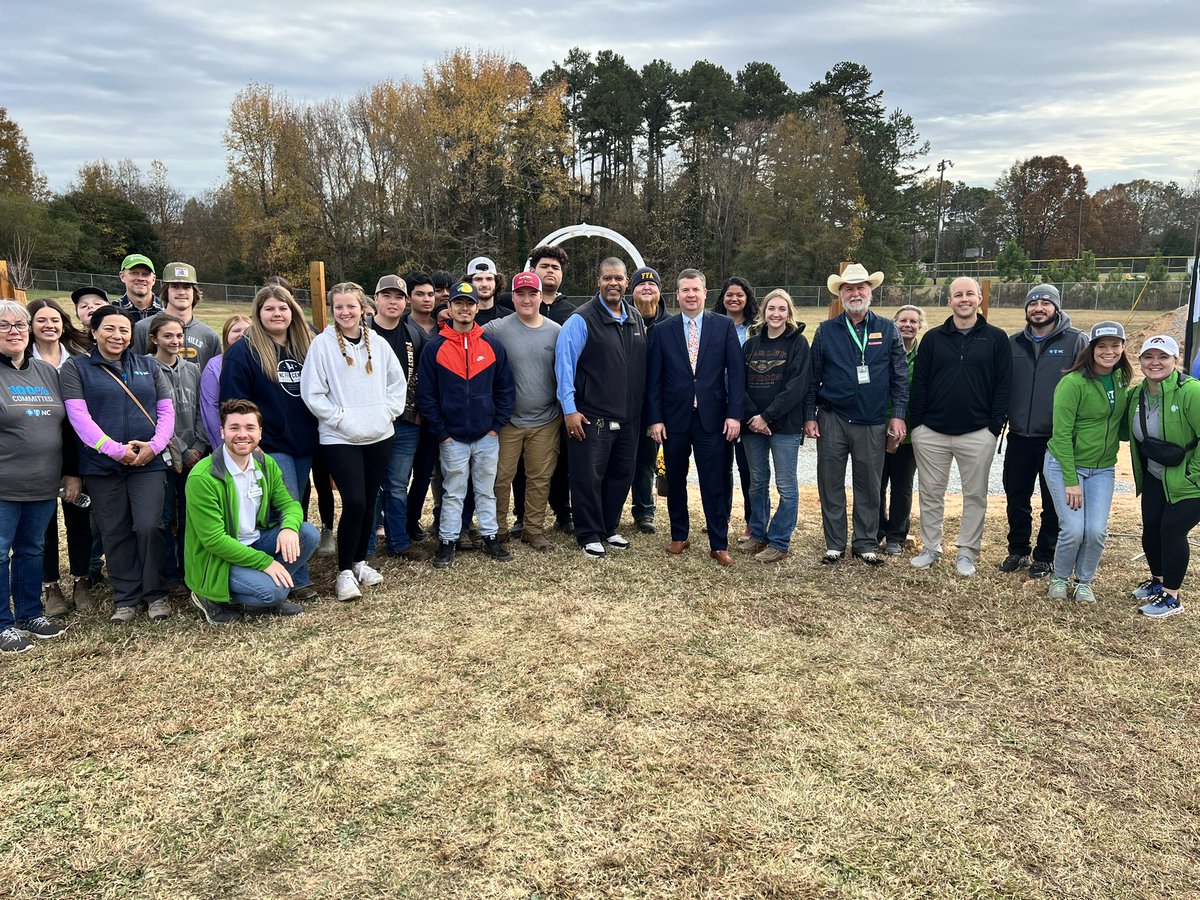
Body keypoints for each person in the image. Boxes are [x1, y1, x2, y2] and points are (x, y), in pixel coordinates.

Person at [60, 305, 175, 624]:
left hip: (147, 462)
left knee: (149, 526)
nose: (117, 335)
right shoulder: (75, 368)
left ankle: (155, 594)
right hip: (101, 465)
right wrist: (113, 449)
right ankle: (126, 596)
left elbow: (167, 412)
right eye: (109, 328)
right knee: (114, 530)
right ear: (94, 332)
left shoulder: (148, 366)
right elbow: (78, 418)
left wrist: (154, 447)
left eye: (124, 330)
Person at [301, 282, 405, 600]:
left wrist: (385, 414)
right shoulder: (322, 346)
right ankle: (344, 571)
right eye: (339, 307)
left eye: (351, 306)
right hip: (339, 437)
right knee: (355, 501)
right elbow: (312, 392)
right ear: (333, 310)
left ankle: (360, 562)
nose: (345, 312)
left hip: (378, 434)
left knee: (370, 502)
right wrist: (341, 419)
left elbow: (396, 383)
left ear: (363, 308)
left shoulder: (379, 344)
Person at [219, 284, 321, 599]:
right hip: (272, 445)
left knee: (298, 506)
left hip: (305, 441)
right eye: (269, 309)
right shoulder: (245, 350)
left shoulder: (307, 344)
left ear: (293, 311)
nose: (277, 314)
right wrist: (252, 442)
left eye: (283, 308)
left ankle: (287, 567)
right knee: (284, 509)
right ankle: (296, 578)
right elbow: (233, 401)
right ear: (258, 314)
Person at [803, 264, 908, 566]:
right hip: (833, 417)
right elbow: (813, 377)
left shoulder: (888, 329)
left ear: (870, 291)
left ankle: (864, 542)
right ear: (841, 294)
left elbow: (900, 377)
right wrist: (810, 416)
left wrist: (898, 416)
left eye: (861, 287)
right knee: (830, 482)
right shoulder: (826, 331)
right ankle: (834, 543)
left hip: (872, 421)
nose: (855, 292)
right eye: (849, 288)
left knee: (869, 484)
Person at [908, 277, 1012, 577]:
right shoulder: (934, 339)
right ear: (949, 301)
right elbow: (920, 384)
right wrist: (918, 426)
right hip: (932, 433)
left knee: (975, 495)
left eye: (969, 294)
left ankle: (967, 552)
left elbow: (1003, 385)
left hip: (977, 433)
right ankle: (931, 548)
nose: (963, 299)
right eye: (957, 295)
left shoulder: (996, 338)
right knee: (930, 493)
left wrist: (993, 428)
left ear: (979, 299)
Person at [186, 399, 319, 625]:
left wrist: (288, 527)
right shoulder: (203, 477)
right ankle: (207, 595)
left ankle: (261, 593)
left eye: (249, 428)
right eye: (234, 428)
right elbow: (215, 541)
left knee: (307, 533)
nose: (242, 434)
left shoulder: (264, 463)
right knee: (274, 592)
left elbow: (290, 504)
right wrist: (266, 564)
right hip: (218, 558)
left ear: (260, 433)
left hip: (254, 542)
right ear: (222, 432)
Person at [648, 268, 745, 567]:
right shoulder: (663, 330)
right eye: (685, 290)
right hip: (674, 419)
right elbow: (654, 380)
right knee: (675, 479)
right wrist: (655, 418)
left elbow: (737, 374)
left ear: (705, 293)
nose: (691, 295)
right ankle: (680, 534)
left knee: (713, 482)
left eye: (696, 290)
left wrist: (734, 415)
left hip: (712, 419)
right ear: (677, 295)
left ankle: (719, 543)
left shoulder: (723, 326)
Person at [417, 281, 515, 568]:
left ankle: (490, 537)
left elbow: (506, 390)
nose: (464, 308)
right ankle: (447, 540)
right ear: (449, 307)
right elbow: (427, 396)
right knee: (454, 490)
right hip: (452, 438)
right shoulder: (435, 348)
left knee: (486, 489)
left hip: (487, 435)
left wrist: (496, 426)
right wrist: (443, 434)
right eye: (458, 303)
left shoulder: (492, 346)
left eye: (469, 303)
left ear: (476, 307)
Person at [555, 257, 648, 558]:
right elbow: (564, 367)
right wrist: (569, 409)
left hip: (629, 417)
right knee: (587, 478)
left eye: (619, 278)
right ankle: (589, 533)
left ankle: (609, 527)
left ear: (626, 282)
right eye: (607, 277)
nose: (613, 283)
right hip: (591, 418)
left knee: (621, 475)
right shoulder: (581, 319)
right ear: (598, 281)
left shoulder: (635, 318)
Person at [1000, 285, 1088, 578]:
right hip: (1019, 435)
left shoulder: (1076, 341)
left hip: (1056, 439)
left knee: (1052, 502)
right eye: (1033, 303)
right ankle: (1018, 550)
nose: (1038, 308)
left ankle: (1044, 556)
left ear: (1056, 307)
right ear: (1026, 309)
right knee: (1016, 496)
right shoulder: (1013, 343)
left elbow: (1086, 384)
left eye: (1045, 303)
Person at [0, 300, 72, 652]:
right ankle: (2, 622)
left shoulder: (46, 373)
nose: (14, 332)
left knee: (31, 549)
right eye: (4, 325)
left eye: (19, 325)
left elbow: (67, 426)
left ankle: (29, 613)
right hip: (4, 486)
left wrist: (69, 473)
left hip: (43, 484)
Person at [1044, 321, 1131, 603]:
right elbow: (1061, 435)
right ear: (1090, 349)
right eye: (1102, 346)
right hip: (1065, 465)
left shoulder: (1121, 380)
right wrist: (1071, 480)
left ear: (1123, 347)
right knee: (1073, 529)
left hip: (1102, 468)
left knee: (1095, 531)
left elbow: (1120, 424)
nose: (1109, 351)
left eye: (1115, 345)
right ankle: (1059, 577)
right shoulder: (1072, 383)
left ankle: (1084, 581)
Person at [484, 272, 561, 552]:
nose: (527, 299)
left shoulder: (556, 331)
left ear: (542, 296)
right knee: (500, 477)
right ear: (513, 297)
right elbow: (467, 332)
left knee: (540, 478)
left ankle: (533, 529)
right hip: (507, 421)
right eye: (521, 294)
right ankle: (498, 530)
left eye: (532, 294)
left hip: (546, 419)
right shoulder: (496, 329)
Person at [27, 299, 93, 617]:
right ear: (30, 325)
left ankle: (81, 581)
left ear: (63, 324)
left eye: (55, 319)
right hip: (35, 458)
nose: (49, 325)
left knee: (78, 520)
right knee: (43, 525)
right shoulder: (20, 362)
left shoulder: (78, 361)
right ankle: (50, 586)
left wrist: (74, 469)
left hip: (73, 453)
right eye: (41, 320)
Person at [1128, 335, 1200, 618]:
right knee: (1152, 528)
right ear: (1141, 361)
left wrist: (1194, 476)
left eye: (1163, 357)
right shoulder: (1138, 394)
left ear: (1175, 360)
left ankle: (1172, 596)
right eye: (1148, 357)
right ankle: (1157, 581)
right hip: (1157, 476)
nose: (1155, 362)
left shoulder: (1191, 392)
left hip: (1191, 480)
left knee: (1172, 530)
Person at [740, 289, 811, 564]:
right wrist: (754, 417)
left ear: (789, 313)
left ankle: (780, 541)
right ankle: (758, 533)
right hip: (752, 426)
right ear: (763, 313)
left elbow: (797, 388)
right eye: (771, 309)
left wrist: (767, 417)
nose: (776, 314)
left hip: (784, 427)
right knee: (757, 483)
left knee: (786, 486)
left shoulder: (797, 344)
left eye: (782, 309)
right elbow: (739, 384)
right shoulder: (751, 345)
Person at [369, 274, 431, 562]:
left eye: (398, 297)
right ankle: (366, 544)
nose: (392, 302)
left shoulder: (414, 335)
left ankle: (398, 542)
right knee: (369, 484)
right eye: (387, 296)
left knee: (396, 484)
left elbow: (421, 377)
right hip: (368, 422)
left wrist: (417, 413)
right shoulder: (362, 332)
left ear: (406, 302)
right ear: (376, 299)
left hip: (405, 423)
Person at [147, 314, 208, 597]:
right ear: (154, 338)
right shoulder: (147, 369)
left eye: (179, 336)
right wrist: (180, 450)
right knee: (163, 517)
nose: (175, 341)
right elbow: (152, 417)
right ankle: (168, 573)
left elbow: (200, 410)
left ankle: (188, 570)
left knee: (189, 516)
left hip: (193, 455)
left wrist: (196, 447)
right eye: (168, 336)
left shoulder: (192, 370)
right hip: (163, 457)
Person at [715, 276, 758, 541]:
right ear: (722, 298)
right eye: (729, 294)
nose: (734, 299)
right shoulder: (714, 326)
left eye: (739, 295)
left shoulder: (756, 328)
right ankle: (721, 519)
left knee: (748, 468)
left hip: (748, 407)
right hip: (719, 405)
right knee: (721, 468)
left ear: (747, 298)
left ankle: (752, 522)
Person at [628, 266, 670, 534]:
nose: (646, 288)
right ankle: (609, 509)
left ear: (659, 290)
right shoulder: (621, 318)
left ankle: (644, 511)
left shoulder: (670, 326)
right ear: (632, 291)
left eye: (652, 285)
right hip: (622, 403)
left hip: (653, 407)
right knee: (618, 461)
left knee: (646, 461)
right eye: (641, 285)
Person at [131, 262, 221, 370]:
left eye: (187, 287)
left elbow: (216, 376)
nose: (182, 292)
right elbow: (132, 370)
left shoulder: (209, 336)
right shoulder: (143, 328)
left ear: (194, 292)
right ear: (166, 291)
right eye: (175, 287)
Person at [199, 314, 252, 450]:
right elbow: (210, 408)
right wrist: (224, 444)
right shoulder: (214, 365)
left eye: (247, 331)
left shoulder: (264, 362)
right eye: (236, 331)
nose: (242, 335)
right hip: (230, 439)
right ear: (226, 336)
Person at [113, 254, 162, 323]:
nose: (140, 278)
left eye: (145, 274)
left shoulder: (167, 309)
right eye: (134, 273)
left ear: (153, 279)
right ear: (122, 276)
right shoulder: (112, 310)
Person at [467, 256, 513, 327]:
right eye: (478, 279)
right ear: (469, 283)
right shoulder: (463, 317)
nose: (484, 284)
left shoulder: (509, 317)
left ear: (496, 282)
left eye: (489, 279)